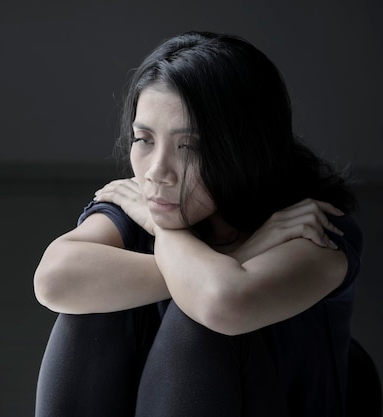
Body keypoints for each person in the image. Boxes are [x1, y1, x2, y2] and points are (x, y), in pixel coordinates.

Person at [33, 31, 362, 417]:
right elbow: (54, 280)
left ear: (244, 147)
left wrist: (168, 234)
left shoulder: (311, 226)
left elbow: (221, 303)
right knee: (90, 302)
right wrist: (238, 256)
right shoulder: (143, 201)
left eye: (189, 146)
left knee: (199, 318)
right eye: (144, 139)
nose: (157, 173)